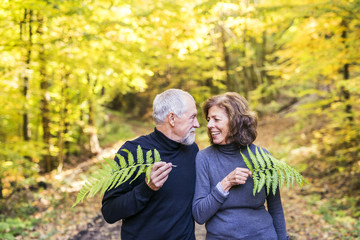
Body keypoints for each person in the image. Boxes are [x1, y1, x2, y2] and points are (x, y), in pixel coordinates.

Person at [102, 89, 200, 240]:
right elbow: (109, 212)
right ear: (172, 118)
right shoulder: (132, 151)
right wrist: (146, 188)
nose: (197, 124)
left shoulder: (192, 150)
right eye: (192, 117)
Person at [192, 92, 288, 240]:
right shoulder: (204, 158)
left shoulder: (262, 157)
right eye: (209, 119)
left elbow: (275, 208)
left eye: (216, 119)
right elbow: (199, 214)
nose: (210, 125)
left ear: (236, 121)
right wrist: (226, 183)